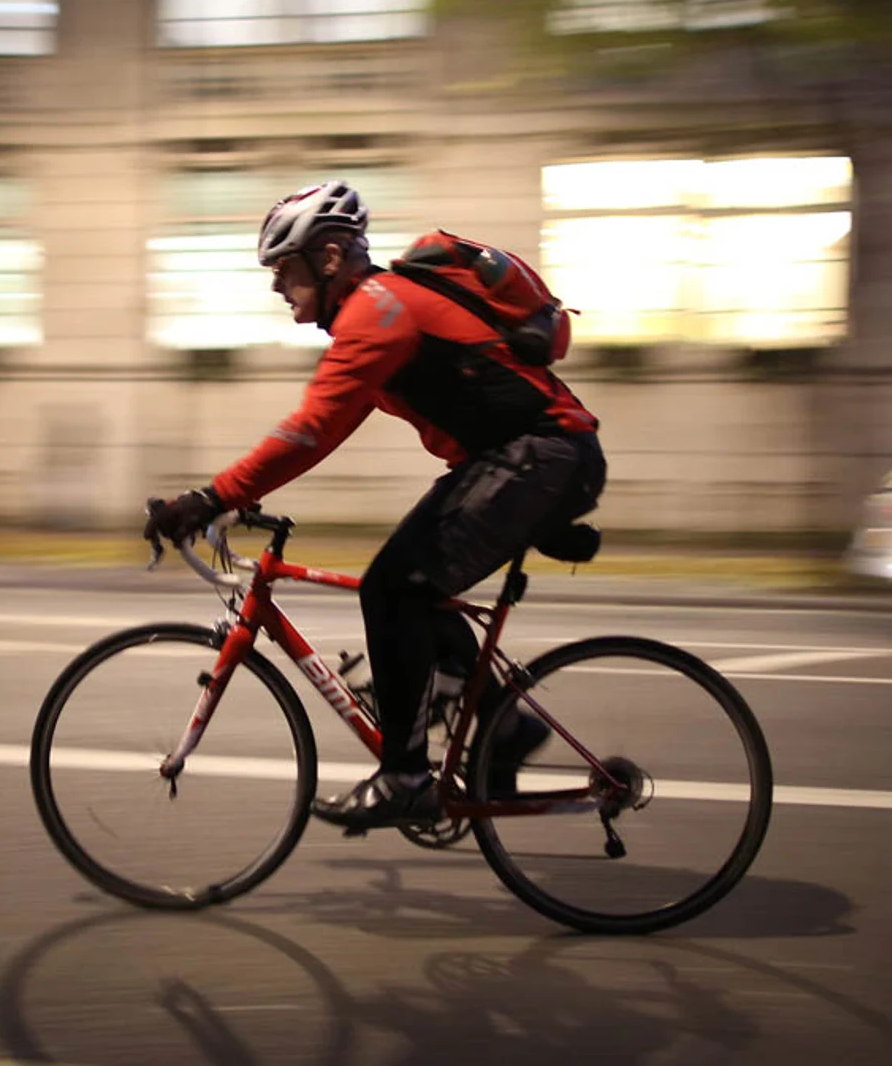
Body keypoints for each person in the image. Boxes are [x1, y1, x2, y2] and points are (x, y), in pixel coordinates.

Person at [141, 180, 608, 833]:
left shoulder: (379, 312)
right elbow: (323, 432)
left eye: (285, 268)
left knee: (394, 587)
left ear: (330, 257)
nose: (277, 286)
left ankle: (406, 778)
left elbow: (310, 430)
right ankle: (503, 726)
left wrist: (210, 497)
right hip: (530, 462)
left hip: (542, 458)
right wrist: (232, 494)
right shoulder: (381, 315)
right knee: (413, 583)